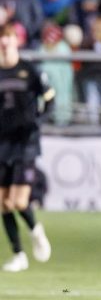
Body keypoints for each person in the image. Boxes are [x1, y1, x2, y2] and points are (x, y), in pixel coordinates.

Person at [0, 23, 53, 272]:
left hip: (25, 144)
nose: (4, 43)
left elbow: (50, 100)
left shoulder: (29, 69)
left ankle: (35, 229)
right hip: (2, 143)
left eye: (8, 38)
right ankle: (19, 254)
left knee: (19, 202)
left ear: (16, 41)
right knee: (3, 203)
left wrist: (37, 122)